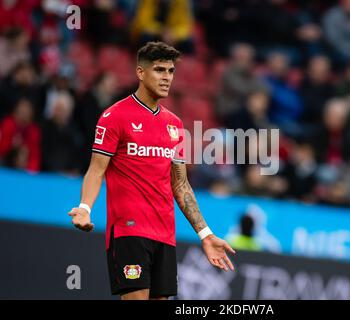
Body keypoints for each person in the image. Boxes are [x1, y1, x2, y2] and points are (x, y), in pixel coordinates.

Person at [68, 42, 236, 300]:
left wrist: (205, 234)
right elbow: (96, 169)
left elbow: (180, 186)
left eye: (170, 71)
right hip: (129, 231)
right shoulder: (114, 117)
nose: (167, 77)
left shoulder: (175, 125)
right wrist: (85, 207)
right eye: (159, 70)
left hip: (165, 234)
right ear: (140, 72)